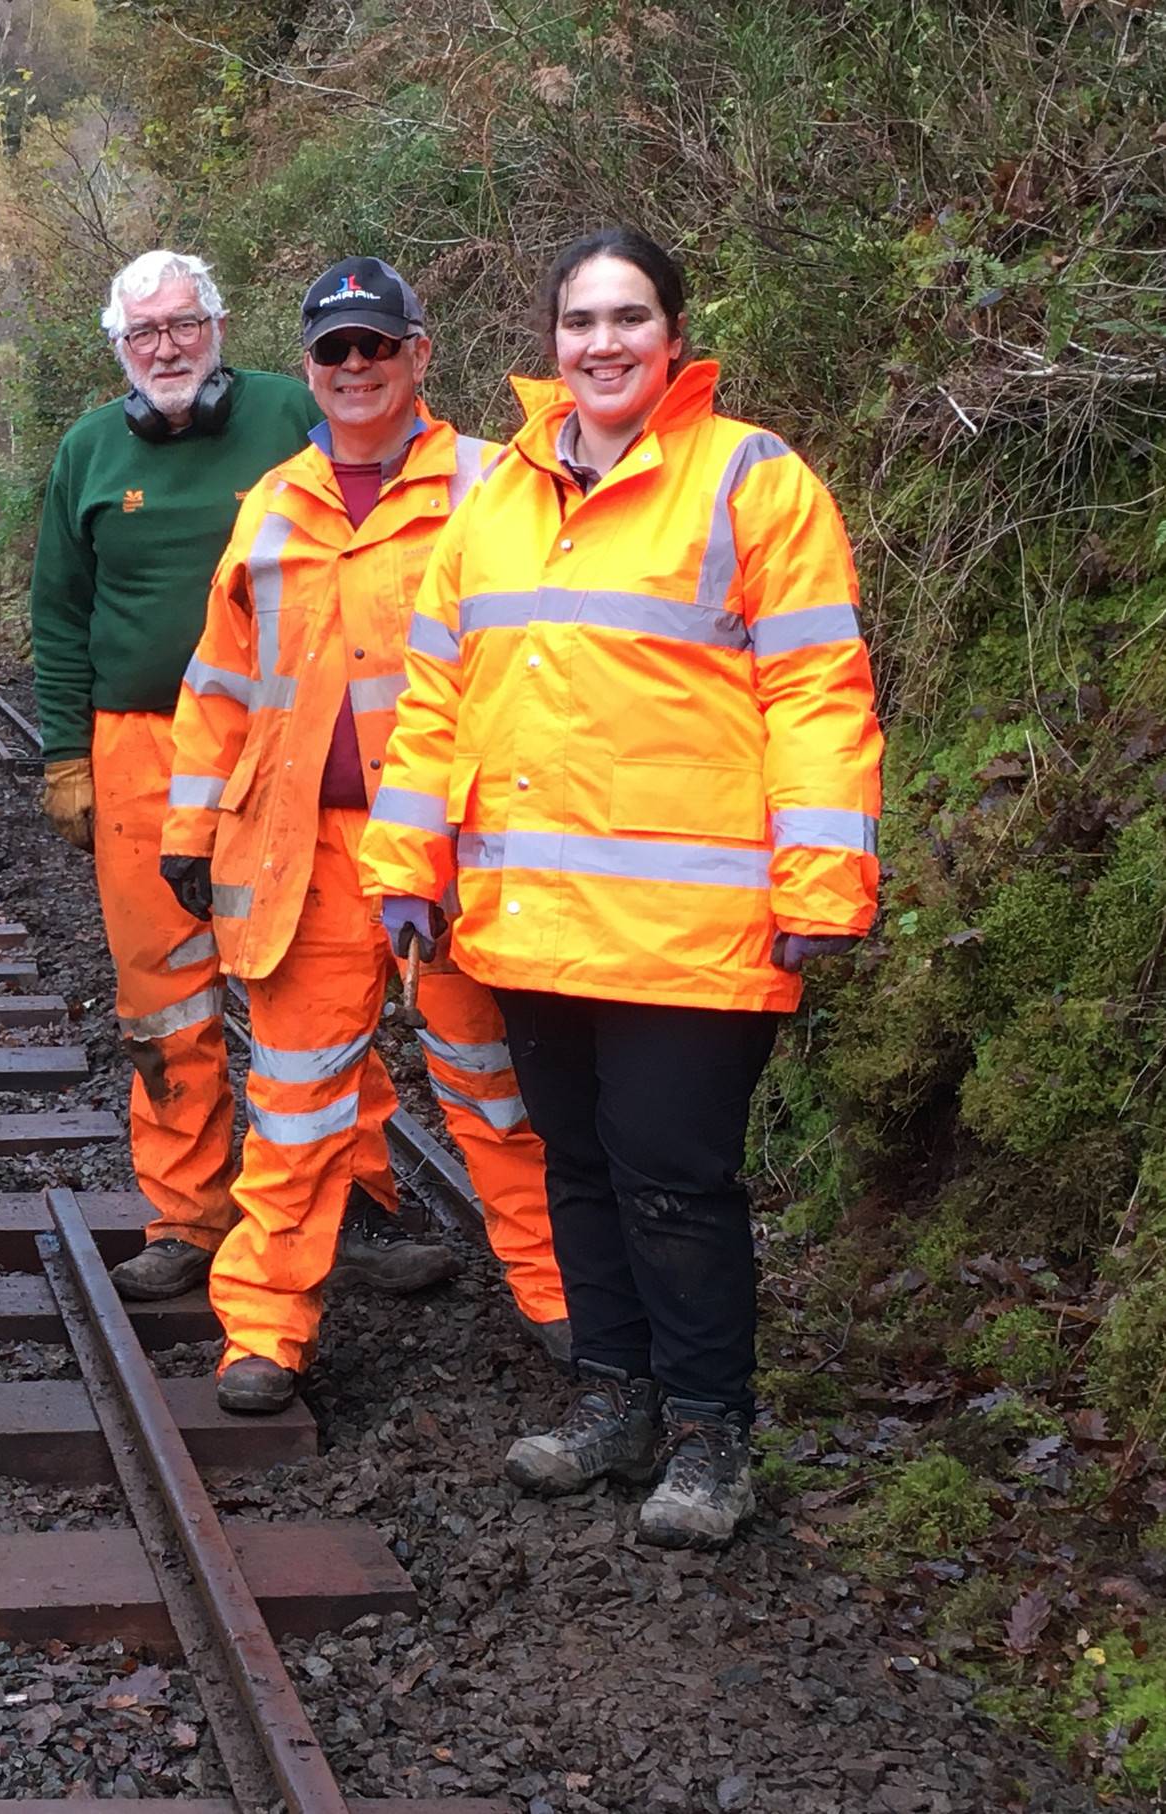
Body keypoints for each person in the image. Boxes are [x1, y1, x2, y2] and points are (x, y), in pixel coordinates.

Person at [358, 228, 884, 1547]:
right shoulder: (494, 502)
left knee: (671, 1178)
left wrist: (820, 882)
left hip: (690, 929)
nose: (601, 342)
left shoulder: (746, 481)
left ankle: (709, 1431)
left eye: (627, 317)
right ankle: (614, 1398)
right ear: (548, 340)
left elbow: (814, 689)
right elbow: (435, 707)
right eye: (579, 319)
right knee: (573, 1167)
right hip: (529, 922)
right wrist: (406, 866)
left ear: (674, 334)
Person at [160, 257, 567, 1416]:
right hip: (307, 854)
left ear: (416, 353)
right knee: (292, 1099)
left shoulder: (496, 488)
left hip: (451, 853)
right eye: (332, 352)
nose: (353, 368)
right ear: (307, 368)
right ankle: (263, 1329)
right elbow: (221, 686)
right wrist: (192, 825)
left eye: (373, 347)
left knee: (496, 1090)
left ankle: (559, 1297)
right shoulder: (272, 506)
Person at [25, 251, 323, 1303]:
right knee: (163, 996)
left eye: (183, 324)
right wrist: (65, 753)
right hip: (139, 745)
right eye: (143, 332)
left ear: (219, 325)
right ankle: (186, 1214)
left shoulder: (294, 414)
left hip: (280, 747)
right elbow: (57, 614)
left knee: (309, 985)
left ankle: (346, 1207)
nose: (166, 346)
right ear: (116, 347)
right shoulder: (90, 452)